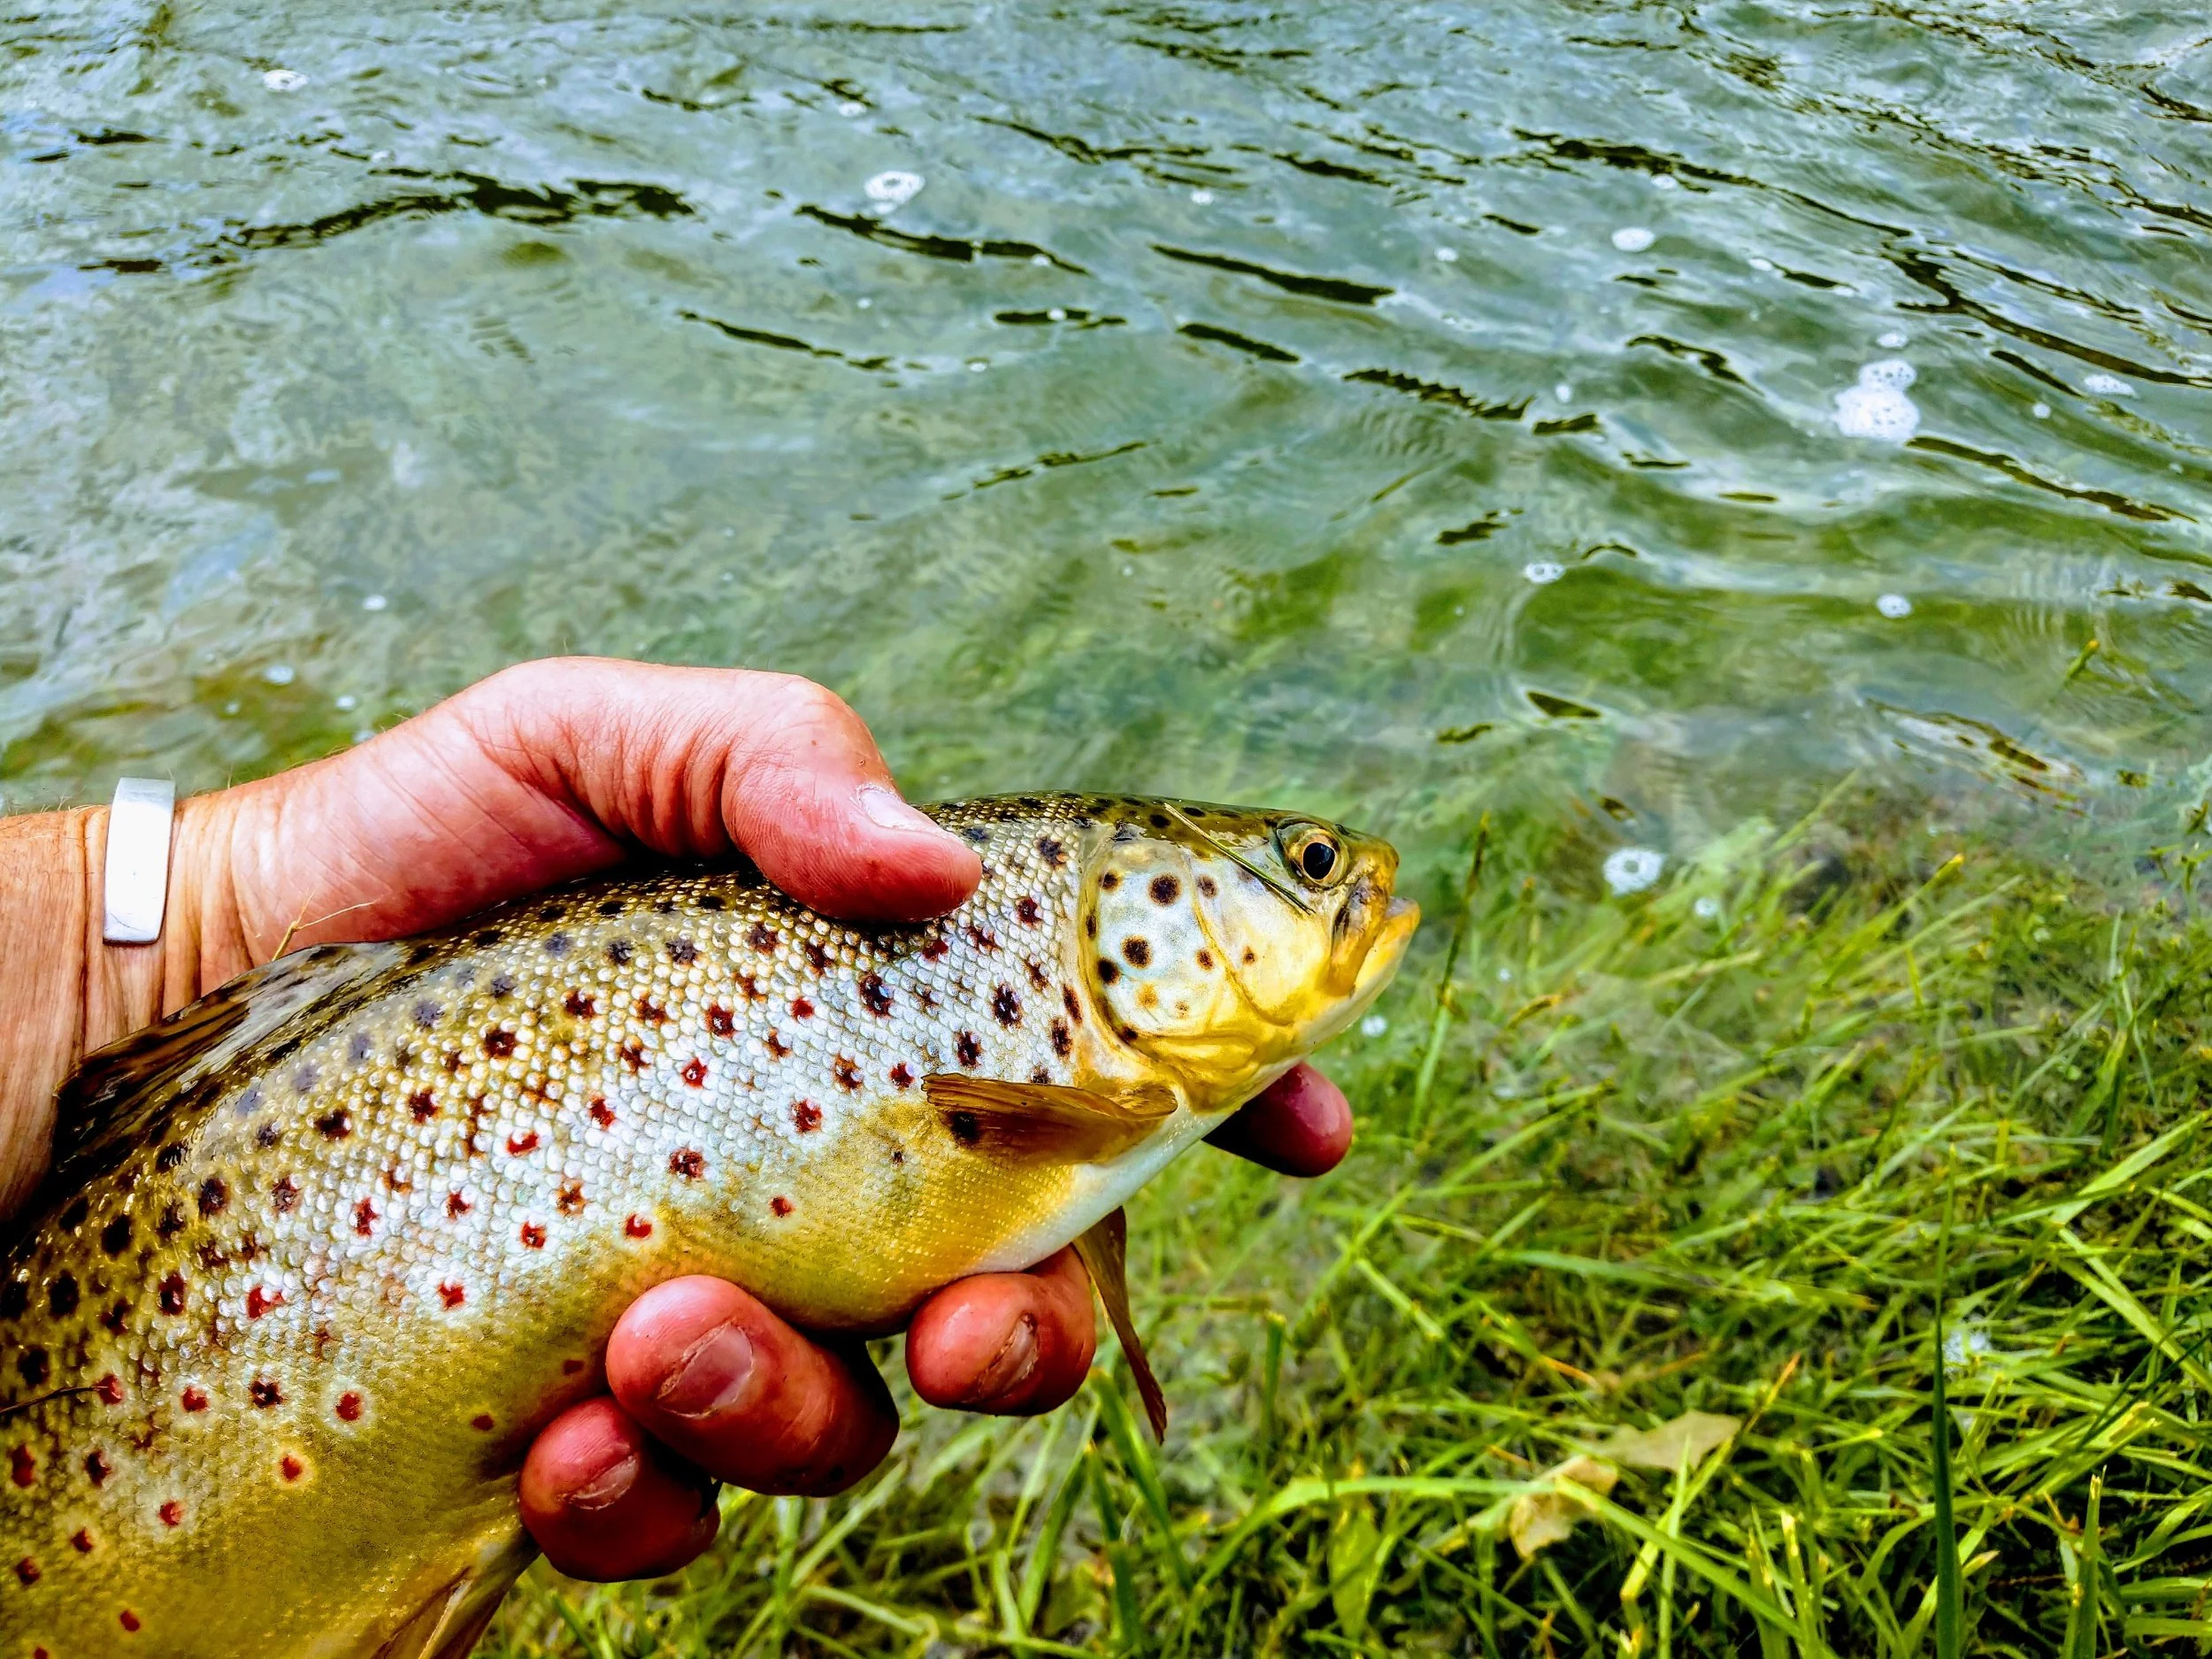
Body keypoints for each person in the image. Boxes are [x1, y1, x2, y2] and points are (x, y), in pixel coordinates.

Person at [0, 658, 1354, 1580]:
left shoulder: (1084, 1078)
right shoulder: (1058, 1046)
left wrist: (168, 924)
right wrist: (162, 929)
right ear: (1121, 919)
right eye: (1304, 870)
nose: (1345, 886)